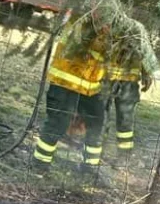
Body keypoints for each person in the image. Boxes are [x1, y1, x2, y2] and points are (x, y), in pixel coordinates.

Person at [32, 22, 108, 173]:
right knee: (58, 123)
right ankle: (39, 167)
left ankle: (90, 168)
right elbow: (89, 44)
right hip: (65, 81)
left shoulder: (114, 22)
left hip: (91, 86)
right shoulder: (82, 17)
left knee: (96, 124)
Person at [106, 44, 152, 158]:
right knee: (101, 117)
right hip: (106, 78)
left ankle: (123, 157)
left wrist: (147, 73)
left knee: (125, 122)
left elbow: (145, 48)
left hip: (129, 81)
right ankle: (98, 149)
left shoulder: (139, 31)